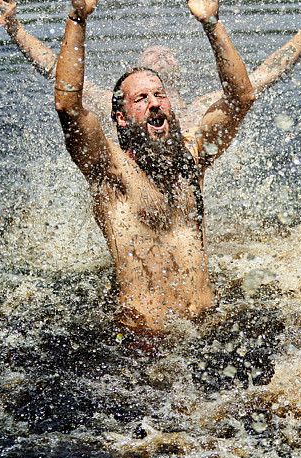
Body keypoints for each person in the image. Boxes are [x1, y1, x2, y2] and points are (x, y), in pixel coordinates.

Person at [54, 0, 254, 331]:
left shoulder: (191, 156)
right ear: (120, 116)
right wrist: (77, 19)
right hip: (145, 342)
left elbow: (241, 99)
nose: (154, 104)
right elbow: (67, 106)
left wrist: (211, 23)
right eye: (141, 99)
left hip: (207, 329)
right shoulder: (108, 168)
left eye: (159, 95)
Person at [0, 0, 301, 129]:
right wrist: (14, 26)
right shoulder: (118, 107)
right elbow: (57, 73)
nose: (159, 53)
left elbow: (262, 76)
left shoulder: (195, 111)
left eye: (165, 55)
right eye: (150, 56)